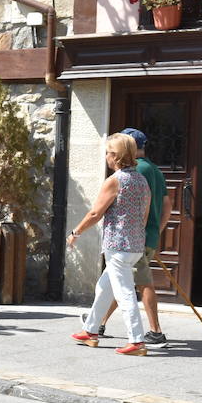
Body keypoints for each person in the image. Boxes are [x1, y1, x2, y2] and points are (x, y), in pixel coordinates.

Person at [69, 132, 152, 356]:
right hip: (134, 245)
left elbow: (96, 212)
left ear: (116, 156)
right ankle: (91, 330)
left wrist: (75, 232)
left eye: (108, 152)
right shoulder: (141, 180)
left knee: (124, 294)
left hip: (118, 246)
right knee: (104, 288)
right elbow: (144, 215)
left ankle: (137, 341)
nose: (106, 156)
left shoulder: (115, 180)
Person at [99, 128, 168, 347]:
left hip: (131, 238)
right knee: (119, 281)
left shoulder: (137, 170)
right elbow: (167, 205)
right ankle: (98, 323)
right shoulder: (156, 170)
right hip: (147, 236)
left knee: (140, 283)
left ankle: (155, 332)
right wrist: (156, 231)